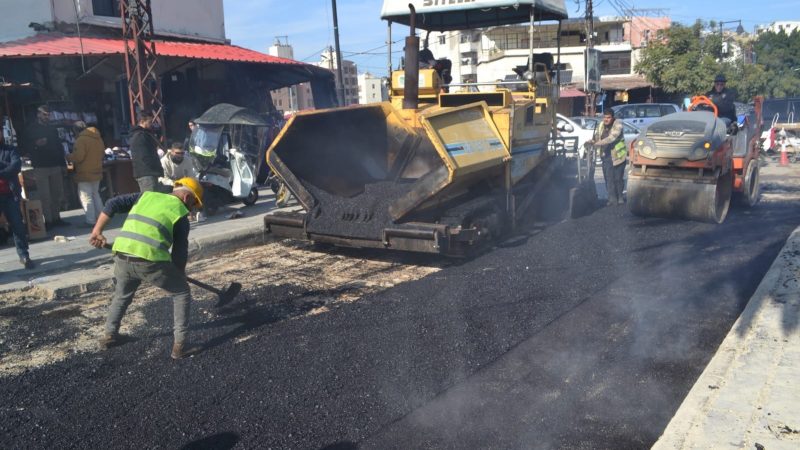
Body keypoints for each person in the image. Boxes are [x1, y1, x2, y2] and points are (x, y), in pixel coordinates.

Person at [89, 177, 204, 359]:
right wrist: (179, 274)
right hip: (150, 261)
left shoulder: (146, 196)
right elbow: (179, 253)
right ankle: (180, 346)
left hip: (122, 255)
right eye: (193, 204)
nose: (191, 209)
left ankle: (110, 334)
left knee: (122, 295)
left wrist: (97, 232)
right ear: (187, 198)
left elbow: (112, 203)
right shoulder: (180, 214)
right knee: (181, 292)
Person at [22, 105, 67, 227]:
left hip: (55, 164)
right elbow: (25, 147)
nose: (47, 117)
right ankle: (48, 221)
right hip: (40, 166)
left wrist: (63, 164)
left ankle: (56, 218)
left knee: (57, 194)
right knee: (45, 196)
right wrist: (36, 144)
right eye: (44, 114)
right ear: (38, 114)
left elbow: (59, 147)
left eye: (48, 114)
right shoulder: (31, 129)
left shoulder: (52, 129)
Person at [0, 133, 34, 269]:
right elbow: (10, 168)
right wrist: (6, 169)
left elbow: (15, 166)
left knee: (17, 224)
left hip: (10, 194)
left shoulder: (10, 150)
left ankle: (24, 255)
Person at [66, 121, 105, 227]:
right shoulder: (98, 137)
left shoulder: (81, 140)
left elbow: (78, 157)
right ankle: (102, 218)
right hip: (96, 170)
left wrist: (68, 156)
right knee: (96, 195)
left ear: (75, 130)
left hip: (84, 173)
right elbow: (102, 153)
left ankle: (90, 220)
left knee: (86, 196)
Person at [587, 109, 627, 206]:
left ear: (613, 118)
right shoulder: (601, 125)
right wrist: (592, 141)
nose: (606, 119)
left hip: (618, 157)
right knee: (608, 178)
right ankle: (612, 199)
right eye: (605, 117)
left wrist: (598, 143)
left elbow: (611, 138)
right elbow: (597, 137)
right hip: (606, 156)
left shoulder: (618, 124)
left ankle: (620, 197)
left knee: (618, 178)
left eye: (608, 117)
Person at [129, 113, 166, 193]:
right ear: (142, 121)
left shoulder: (142, 134)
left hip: (147, 172)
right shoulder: (140, 136)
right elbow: (144, 155)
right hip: (146, 172)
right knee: (151, 199)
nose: (151, 124)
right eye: (150, 122)